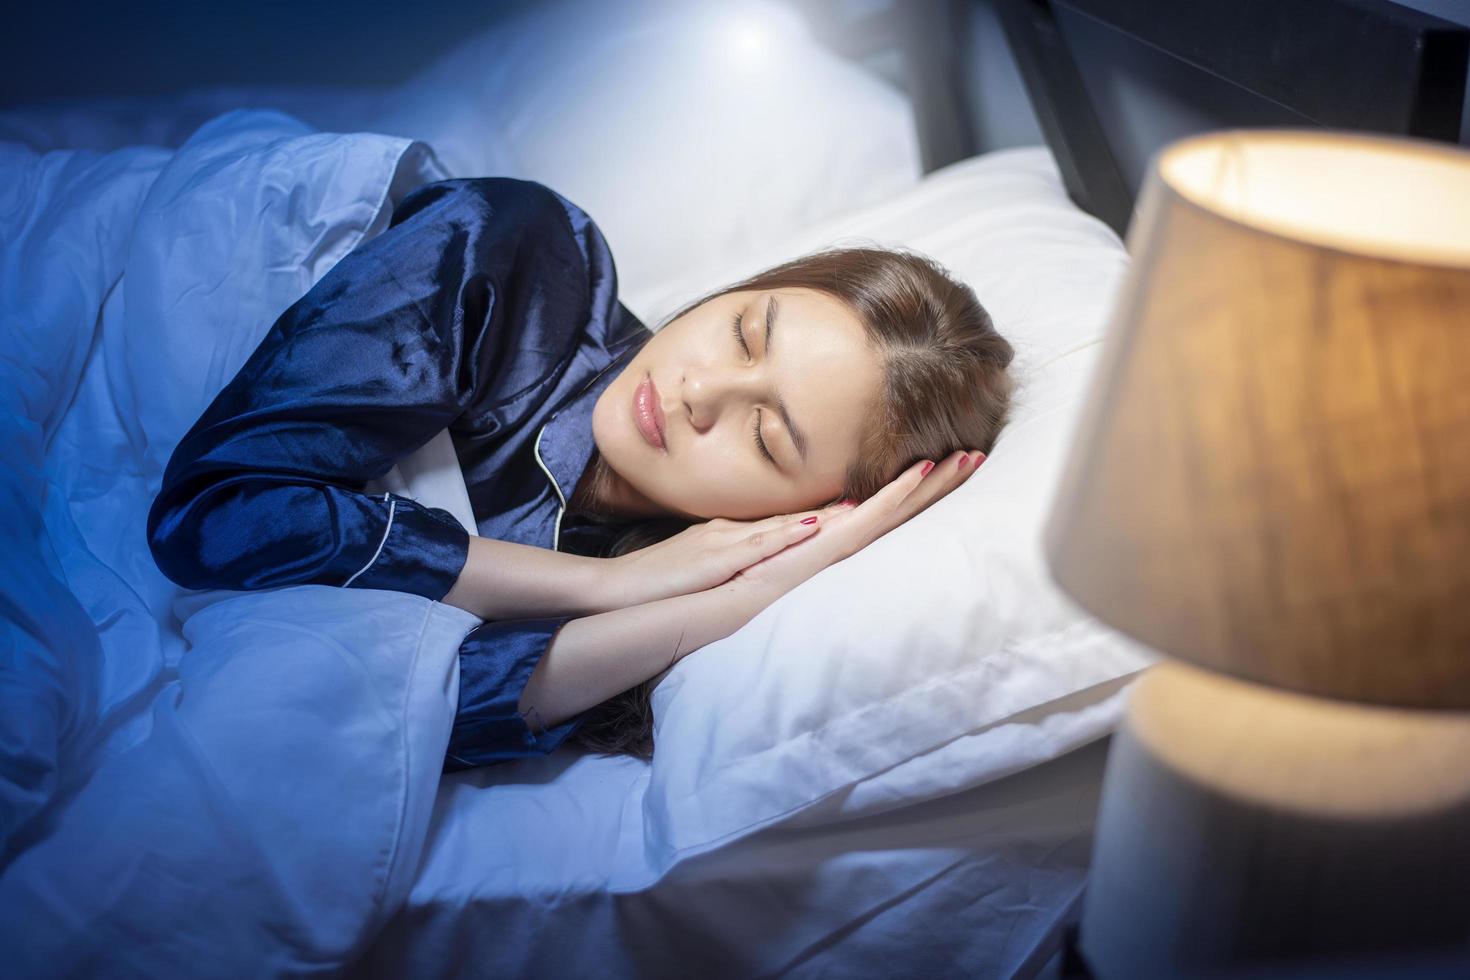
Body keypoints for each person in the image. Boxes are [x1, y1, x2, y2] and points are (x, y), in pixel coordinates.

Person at [147, 177, 1015, 770]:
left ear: (810, 507)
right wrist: (601, 585)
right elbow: (214, 513)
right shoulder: (515, 255)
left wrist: (727, 602)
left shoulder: (670, 572)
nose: (696, 390)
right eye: (745, 332)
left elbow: (402, 725)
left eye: (765, 438)